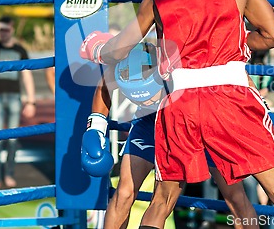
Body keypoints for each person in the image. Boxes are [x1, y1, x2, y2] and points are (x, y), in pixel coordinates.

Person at [80, 0, 274, 229]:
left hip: (179, 106)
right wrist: (234, 41)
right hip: (232, 98)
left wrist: (96, 47)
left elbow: (119, 51)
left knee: (161, 202)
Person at [80, 43, 258, 229]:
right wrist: (96, 125)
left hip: (197, 118)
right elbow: (105, 84)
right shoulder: (125, 64)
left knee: (235, 197)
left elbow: (236, 72)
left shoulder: (185, 61)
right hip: (149, 121)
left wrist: (259, 109)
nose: (141, 99)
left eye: (147, 95)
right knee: (124, 192)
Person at [0, 16, 36, 190]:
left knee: (12, 138)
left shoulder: (20, 50)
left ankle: (9, 174)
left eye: (7, 29)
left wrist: (31, 101)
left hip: (14, 97)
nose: (4, 33)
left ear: (12, 29)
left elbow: (27, 75)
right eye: (1, 30)